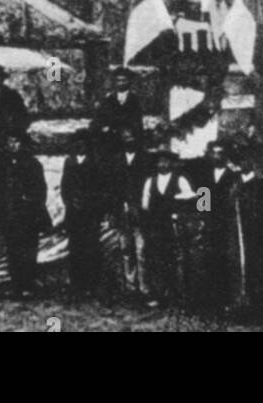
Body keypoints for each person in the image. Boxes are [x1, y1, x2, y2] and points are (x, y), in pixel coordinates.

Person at [0, 129, 50, 299]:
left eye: (15, 142)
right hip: (9, 214)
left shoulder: (32, 164)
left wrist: (30, 201)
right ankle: (16, 285)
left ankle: (28, 285)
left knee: (28, 250)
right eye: (9, 142)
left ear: (22, 144)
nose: (12, 145)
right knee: (13, 250)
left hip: (27, 215)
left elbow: (41, 190)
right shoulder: (2, 164)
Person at [139, 146, 195, 307]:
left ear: (171, 163)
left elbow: (193, 198)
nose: (162, 165)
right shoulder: (150, 181)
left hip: (174, 226)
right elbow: (145, 204)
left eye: (165, 161)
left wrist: (179, 205)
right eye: (159, 162)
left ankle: (178, 295)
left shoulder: (180, 179)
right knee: (157, 259)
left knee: (176, 259)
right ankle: (158, 294)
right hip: (156, 226)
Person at [61, 127, 106, 297]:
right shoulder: (69, 162)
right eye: (76, 144)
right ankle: (76, 284)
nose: (79, 147)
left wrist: (89, 203)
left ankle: (91, 284)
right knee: (75, 247)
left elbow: (100, 188)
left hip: (90, 213)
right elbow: (65, 187)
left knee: (91, 247)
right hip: (73, 213)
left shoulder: (95, 162)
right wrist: (70, 202)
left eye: (82, 144)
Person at [195, 140, 238, 317]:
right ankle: (209, 300)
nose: (217, 156)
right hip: (210, 223)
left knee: (225, 261)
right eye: (214, 153)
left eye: (221, 153)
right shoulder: (205, 175)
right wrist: (202, 219)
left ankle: (226, 300)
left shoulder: (233, 176)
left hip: (227, 223)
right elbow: (202, 200)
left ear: (225, 155)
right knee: (208, 260)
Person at [104, 127, 148, 300]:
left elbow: (148, 186)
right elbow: (111, 188)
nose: (128, 140)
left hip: (140, 212)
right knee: (126, 249)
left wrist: (138, 206)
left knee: (142, 250)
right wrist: (113, 210)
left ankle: (145, 287)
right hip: (121, 212)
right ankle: (130, 287)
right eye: (125, 137)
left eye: (131, 137)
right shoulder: (115, 160)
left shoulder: (146, 159)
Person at [234, 150, 263, 323]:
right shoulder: (232, 182)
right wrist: (202, 214)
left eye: (247, 159)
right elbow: (206, 199)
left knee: (259, 272)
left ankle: (262, 310)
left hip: (257, 236)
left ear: (252, 162)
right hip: (235, 235)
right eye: (240, 160)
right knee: (240, 272)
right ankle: (243, 309)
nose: (244, 163)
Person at [97, 68, 144, 153]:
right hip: (111, 139)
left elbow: (137, 121)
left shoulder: (135, 100)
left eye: (124, 80)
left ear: (129, 81)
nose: (121, 83)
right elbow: (102, 117)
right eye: (118, 80)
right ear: (115, 82)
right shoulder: (108, 99)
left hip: (129, 139)